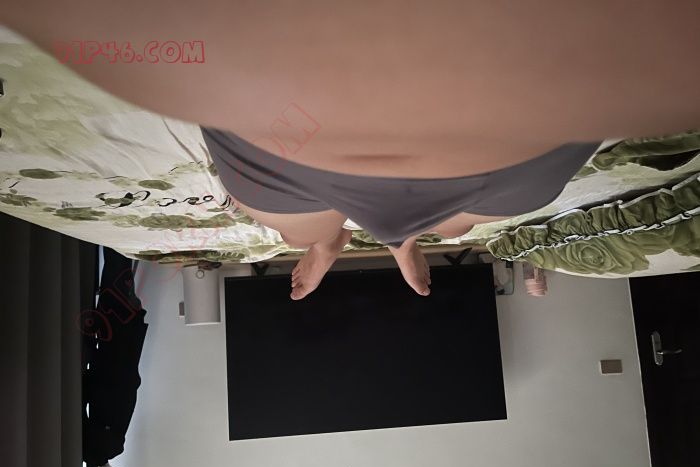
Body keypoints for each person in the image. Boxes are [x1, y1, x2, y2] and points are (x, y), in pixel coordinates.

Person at [4, 1, 699, 299]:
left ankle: (372, 235)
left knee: (302, 226)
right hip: (511, 157)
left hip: (287, 136)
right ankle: (390, 234)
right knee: (456, 225)